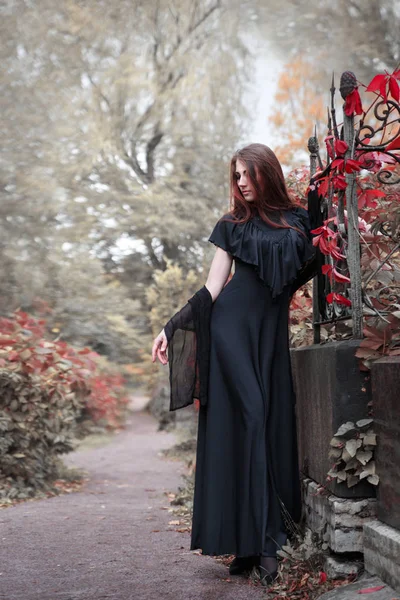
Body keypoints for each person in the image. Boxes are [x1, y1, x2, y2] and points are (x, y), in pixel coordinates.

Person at [152, 143, 317, 586]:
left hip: (269, 340)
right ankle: (264, 544)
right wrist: (171, 327)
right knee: (252, 417)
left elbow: (307, 265)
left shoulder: (298, 221)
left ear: (267, 173)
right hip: (230, 334)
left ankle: (247, 544)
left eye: (248, 173)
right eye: (236, 174)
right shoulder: (231, 226)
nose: (241, 181)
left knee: (264, 426)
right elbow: (211, 289)